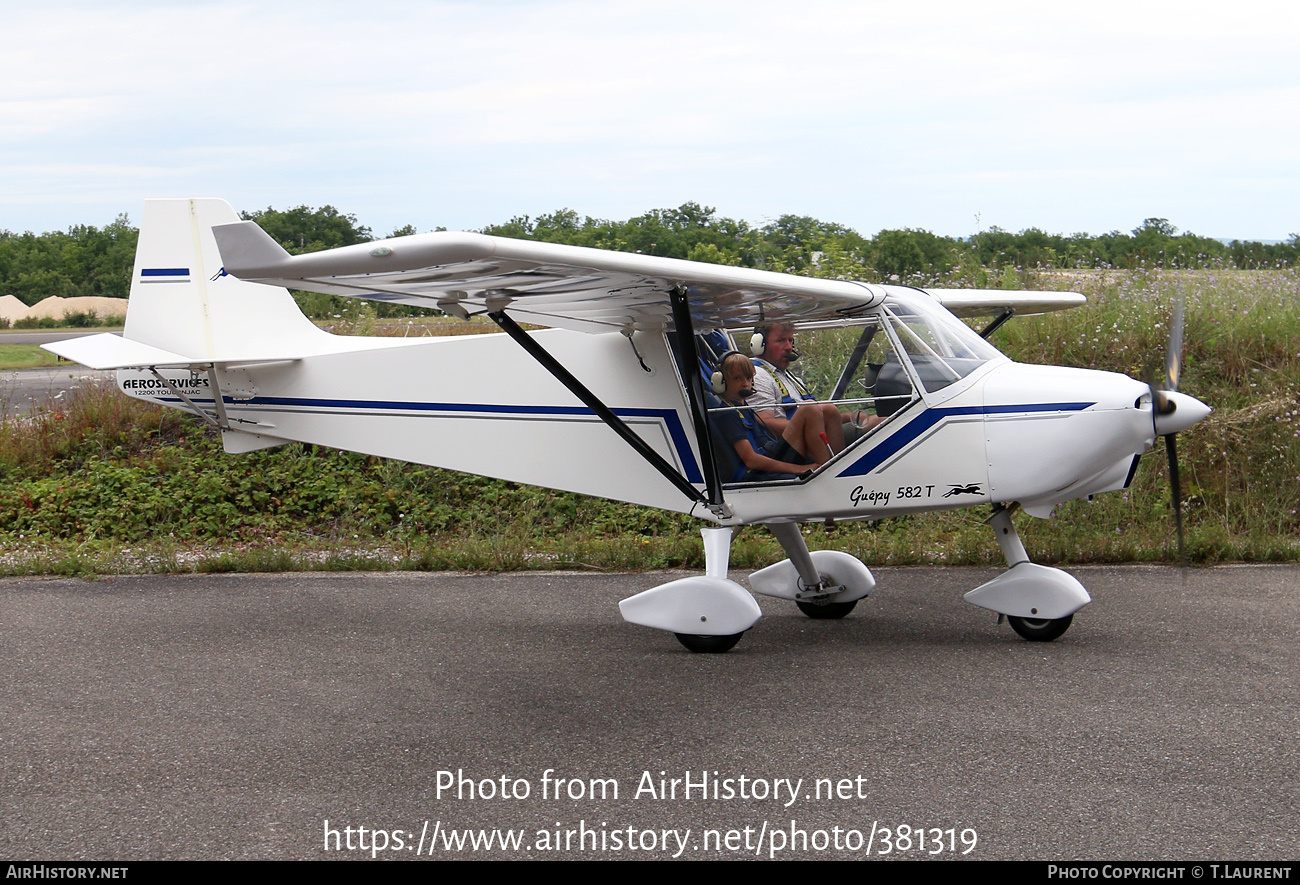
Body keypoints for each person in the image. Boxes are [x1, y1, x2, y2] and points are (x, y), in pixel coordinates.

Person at [750, 323, 882, 445]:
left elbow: (817, 417)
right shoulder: (757, 375)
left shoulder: (787, 376)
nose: (789, 347)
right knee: (880, 423)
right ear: (759, 345)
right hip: (799, 446)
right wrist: (815, 427)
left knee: (880, 420)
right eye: (780, 340)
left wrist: (846, 417)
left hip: (813, 438)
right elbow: (764, 424)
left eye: (790, 340)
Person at [711, 352, 829, 481]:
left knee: (827, 410)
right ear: (721, 381)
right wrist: (799, 469)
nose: (745, 384)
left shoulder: (743, 406)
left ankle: (826, 467)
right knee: (809, 408)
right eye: (737, 378)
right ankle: (826, 472)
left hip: (771, 453)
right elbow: (751, 460)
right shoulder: (728, 414)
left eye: (749, 378)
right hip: (758, 472)